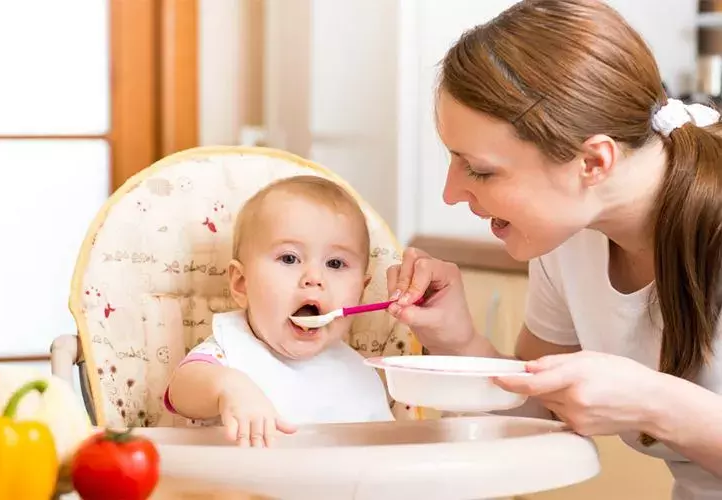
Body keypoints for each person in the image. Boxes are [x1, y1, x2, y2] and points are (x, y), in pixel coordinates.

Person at [386, 0, 722, 497]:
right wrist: (457, 340)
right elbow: (539, 409)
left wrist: (656, 403)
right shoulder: (569, 239)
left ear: (593, 162)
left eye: (479, 169)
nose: (451, 193)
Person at [164, 175, 394, 447]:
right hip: (242, 487)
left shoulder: (359, 373)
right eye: (289, 258)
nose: (314, 278)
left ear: (361, 293)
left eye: (335, 263)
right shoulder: (227, 353)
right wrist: (228, 387)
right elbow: (181, 390)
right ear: (241, 283)